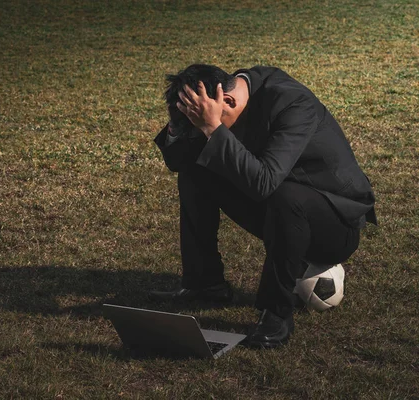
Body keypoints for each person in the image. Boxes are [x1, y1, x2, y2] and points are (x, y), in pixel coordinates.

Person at [150, 64, 377, 348]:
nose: (200, 132)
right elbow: (178, 162)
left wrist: (212, 127)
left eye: (200, 124)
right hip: (278, 205)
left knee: (286, 196)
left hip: (333, 222)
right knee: (195, 170)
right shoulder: (227, 92)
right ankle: (205, 283)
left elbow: (264, 183)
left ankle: (277, 313)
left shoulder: (292, 104)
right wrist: (177, 123)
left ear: (228, 102)